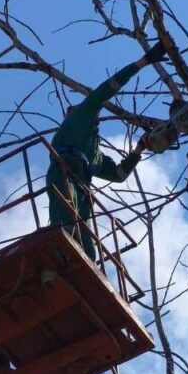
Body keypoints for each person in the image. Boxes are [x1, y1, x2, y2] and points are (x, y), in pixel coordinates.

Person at [47, 41, 168, 260]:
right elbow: (108, 88)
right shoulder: (75, 122)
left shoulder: (95, 153)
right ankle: (55, 260)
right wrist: (143, 62)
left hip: (83, 183)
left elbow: (119, 175)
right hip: (64, 169)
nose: (71, 112)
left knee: (86, 243)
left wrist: (139, 148)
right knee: (65, 217)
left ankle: (83, 270)